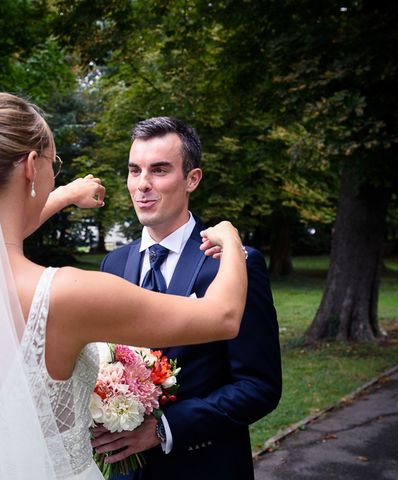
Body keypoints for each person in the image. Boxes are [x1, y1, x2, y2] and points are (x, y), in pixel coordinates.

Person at [0, 93, 249, 480]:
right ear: (32, 166)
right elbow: (224, 315)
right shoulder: (65, 293)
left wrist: (64, 195)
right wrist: (232, 241)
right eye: (55, 163)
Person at [92, 117, 282, 480]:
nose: (142, 185)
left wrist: (164, 429)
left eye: (159, 170)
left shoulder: (235, 263)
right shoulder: (113, 263)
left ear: (192, 179)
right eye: (135, 170)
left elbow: (260, 386)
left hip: (203, 467)